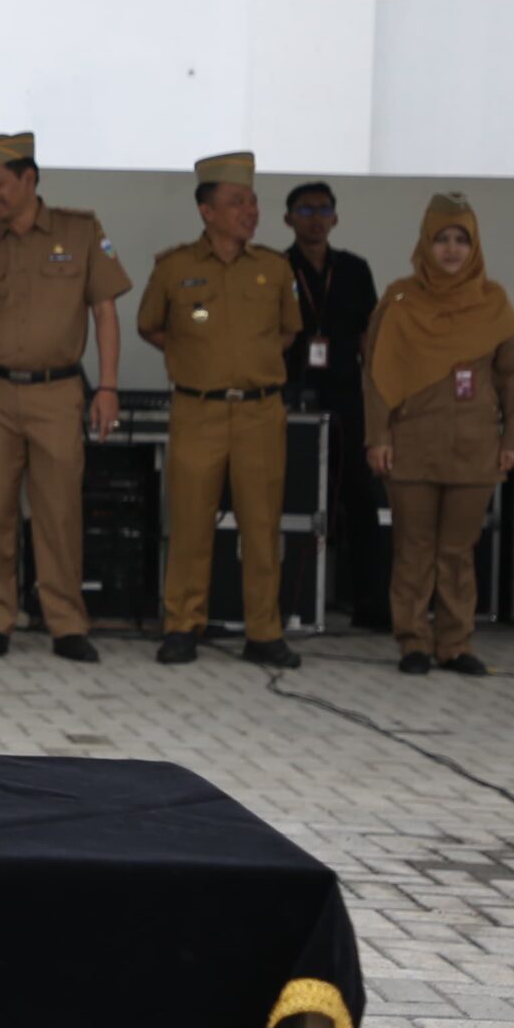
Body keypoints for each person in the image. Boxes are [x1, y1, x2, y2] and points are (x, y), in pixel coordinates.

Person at [0, 131, 131, 664]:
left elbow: (106, 313)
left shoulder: (81, 231)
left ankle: (66, 624)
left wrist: (107, 387)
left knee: (58, 511)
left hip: (58, 392)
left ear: (29, 178)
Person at [137, 152, 304, 667]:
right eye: (237, 202)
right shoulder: (175, 267)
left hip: (259, 411)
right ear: (207, 210)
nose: (249, 211)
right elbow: (151, 326)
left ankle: (265, 632)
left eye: (252, 202)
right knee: (190, 523)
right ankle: (183, 626)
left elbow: (288, 330)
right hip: (198, 410)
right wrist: (196, 359)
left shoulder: (274, 269)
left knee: (261, 526)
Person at [363, 195, 514, 676]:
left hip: (475, 446)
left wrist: (513, 439)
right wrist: (379, 437)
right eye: (441, 239)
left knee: (458, 553)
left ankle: (456, 643)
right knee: (412, 549)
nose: (451, 250)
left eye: (461, 240)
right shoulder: (399, 300)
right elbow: (375, 376)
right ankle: (413, 640)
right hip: (411, 443)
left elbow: (512, 378)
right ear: (424, 244)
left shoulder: (494, 303)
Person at [282, 181, 383, 627]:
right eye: (305, 210)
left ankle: (370, 606)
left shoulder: (355, 270)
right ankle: (294, 602)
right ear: (288, 219)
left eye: (324, 210)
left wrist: (380, 401)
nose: (316, 218)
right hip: (292, 395)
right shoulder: (276, 268)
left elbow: (370, 340)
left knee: (363, 500)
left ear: (336, 219)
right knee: (295, 498)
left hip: (347, 398)